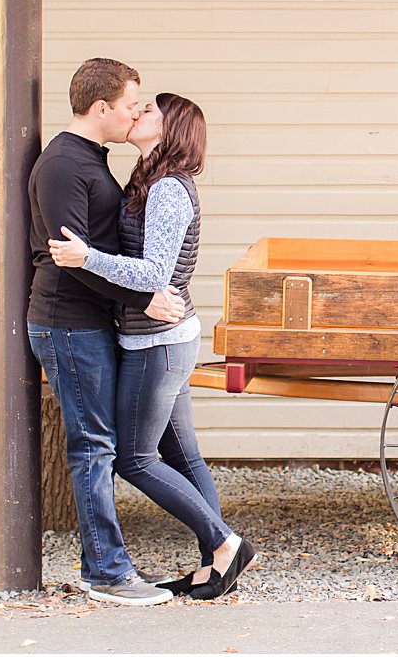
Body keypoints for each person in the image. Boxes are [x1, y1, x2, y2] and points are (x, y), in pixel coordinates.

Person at [49, 93, 256, 601]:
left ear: (172, 130)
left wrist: (85, 258)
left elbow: (153, 275)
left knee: (135, 458)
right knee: (181, 455)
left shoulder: (166, 190)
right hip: (161, 338)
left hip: (157, 344)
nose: (138, 114)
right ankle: (217, 563)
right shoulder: (149, 180)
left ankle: (224, 543)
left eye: (150, 111)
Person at [25, 58, 187, 606]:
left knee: (120, 443)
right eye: (131, 106)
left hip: (95, 323)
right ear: (102, 108)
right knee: (94, 447)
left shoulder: (91, 160)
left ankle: (218, 547)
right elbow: (71, 259)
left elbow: (96, 252)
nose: (137, 114)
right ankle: (106, 572)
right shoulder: (64, 166)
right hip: (67, 325)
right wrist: (144, 296)